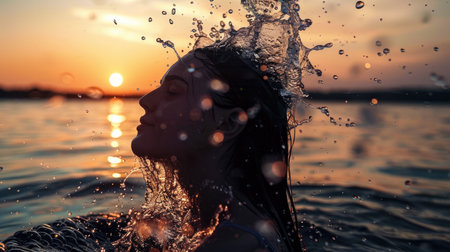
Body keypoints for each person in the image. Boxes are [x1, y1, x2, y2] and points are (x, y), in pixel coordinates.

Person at [131, 46, 304, 251]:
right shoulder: (216, 226)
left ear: (229, 123)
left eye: (173, 91)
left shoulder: (238, 246)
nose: (146, 101)